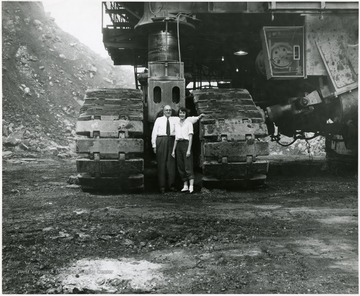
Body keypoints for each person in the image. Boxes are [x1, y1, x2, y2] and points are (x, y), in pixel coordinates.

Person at [151, 105, 204, 193]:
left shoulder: (175, 119)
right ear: (163, 111)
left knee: (171, 164)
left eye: (169, 110)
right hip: (161, 140)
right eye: (166, 110)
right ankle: (162, 187)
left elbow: (188, 119)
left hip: (172, 140)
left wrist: (198, 117)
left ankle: (171, 185)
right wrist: (154, 145)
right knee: (161, 164)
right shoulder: (159, 120)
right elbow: (154, 133)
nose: (168, 112)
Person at [171, 107, 199, 193]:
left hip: (186, 144)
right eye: (180, 113)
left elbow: (190, 137)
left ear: (186, 114)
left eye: (183, 113)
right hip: (178, 145)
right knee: (180, 166)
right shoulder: (176, 124)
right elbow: (176, 138)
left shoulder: (189, 123)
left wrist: (188, 149)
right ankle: (185, 185)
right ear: (178, 114)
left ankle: (191, 186)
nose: (181, 114)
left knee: (188, 165)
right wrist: (173, 150)